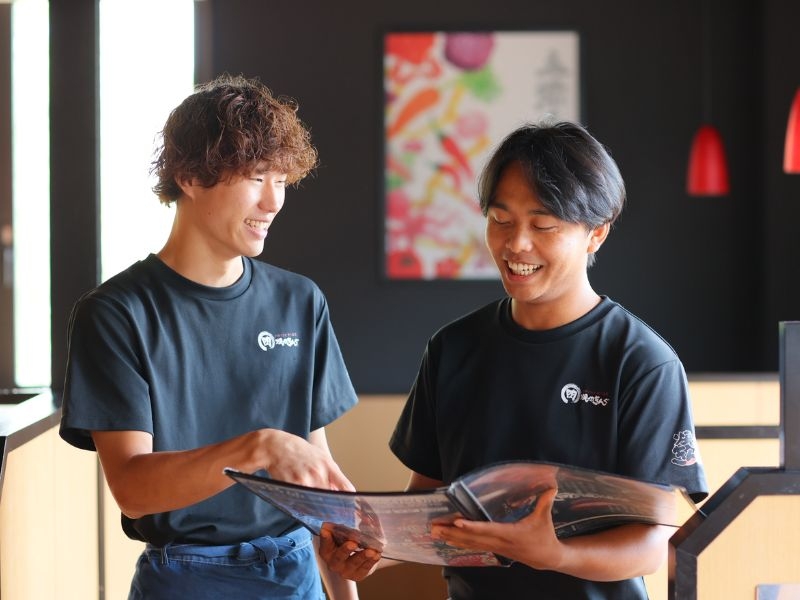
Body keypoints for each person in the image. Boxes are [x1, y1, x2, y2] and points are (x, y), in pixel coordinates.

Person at [320, 121, 708, 599]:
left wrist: (554, 555)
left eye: (543, 225)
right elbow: (429, 510)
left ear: (596, 234)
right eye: (501, 220)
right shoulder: (453, 348)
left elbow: (653, 547)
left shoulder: (641, 363)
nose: (516, 244)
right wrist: (372, 550)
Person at [60, 74, 362, 600]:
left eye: (282, 180)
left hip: (295, 574)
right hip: (184, 578)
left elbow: (316, 481)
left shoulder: (300, 301)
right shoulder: (115, 314)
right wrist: (260, 447)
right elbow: (133, 489)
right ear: (190, 177)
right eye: (257, 177)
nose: (273, 201)